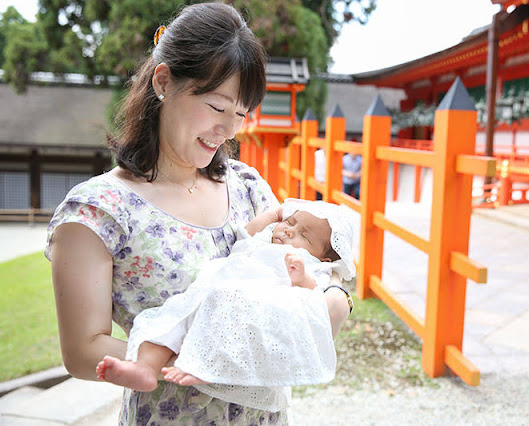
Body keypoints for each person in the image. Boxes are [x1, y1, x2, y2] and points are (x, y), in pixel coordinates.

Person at [44, 3, 351, 425]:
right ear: (164, 81)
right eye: (216, 107)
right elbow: (82, 351)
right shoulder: (99, 211)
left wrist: (336, 300)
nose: (229, 129)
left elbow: (313, 263)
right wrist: (202, 350)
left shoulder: (247, 187)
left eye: (241, 114)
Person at [95, 199, 355, 413]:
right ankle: (145, 368)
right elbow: (246, 234)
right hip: (211, 297)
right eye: (289, 222)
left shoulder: (314, 265)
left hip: (254, 307)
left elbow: (313, 300)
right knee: (170, 321)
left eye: (304, 235)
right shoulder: (263, 241)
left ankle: (209, 366)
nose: (289, 231)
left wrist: (302, 279)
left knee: (227, 327)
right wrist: (272, 215)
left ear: (322, 256)